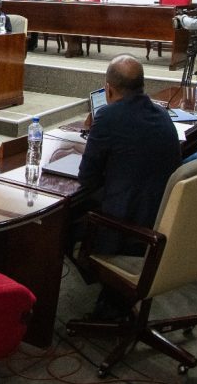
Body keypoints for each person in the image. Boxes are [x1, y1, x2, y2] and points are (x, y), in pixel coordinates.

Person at [76, 54, 180, 319]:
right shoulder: (162, 114)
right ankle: (113, 292)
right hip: (160, 219)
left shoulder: (107, 116)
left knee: (65, 223)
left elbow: (86, 178)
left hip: (127, 229)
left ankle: (111, 297)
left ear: (108, 89)